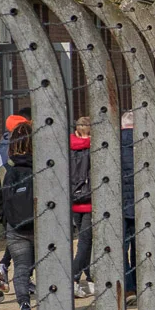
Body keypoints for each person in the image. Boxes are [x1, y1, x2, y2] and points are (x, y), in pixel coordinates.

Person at [0, 121, 36, 310]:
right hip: (40, 226)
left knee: (21, 267)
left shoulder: (4, 170)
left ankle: (24, 304)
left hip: (16, 228)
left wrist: (8, 219)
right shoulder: (43, 167)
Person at [0, 113, 29, 295]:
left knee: (18, 245)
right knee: (26, 252)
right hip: (21, 203)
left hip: (10, 208)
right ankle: (5, 265)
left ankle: (5, 265)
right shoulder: (21, 147)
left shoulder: (3, 145)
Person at [69, 117, 94, 298]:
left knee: (85, 241)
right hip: (90, 201)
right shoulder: (96, 147)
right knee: (85, 243)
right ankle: (74, 279)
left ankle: (90, 279)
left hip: (73, 200)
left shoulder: (67, 147)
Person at [120, 110, 137, 299]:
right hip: (142, 204)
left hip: (119, 205)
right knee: (139, 247)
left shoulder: (113, 144)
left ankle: (128, 287)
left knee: (121, 248)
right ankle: (141, 283)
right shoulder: (146, 143)